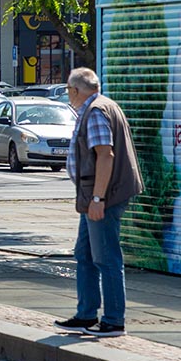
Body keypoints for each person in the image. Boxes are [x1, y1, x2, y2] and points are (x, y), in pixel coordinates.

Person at [54, 68, 143, 337]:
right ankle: (86, 314)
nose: (68, 94)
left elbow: (105, 156)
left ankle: (114, 320)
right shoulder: (104, 105)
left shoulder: (95, 112)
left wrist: (97, 198)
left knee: (106, 258)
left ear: (76, 90)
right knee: (85, 254)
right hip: (95, 196)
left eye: (69, 89)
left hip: (102, 196)